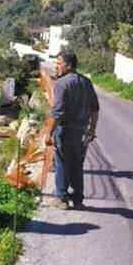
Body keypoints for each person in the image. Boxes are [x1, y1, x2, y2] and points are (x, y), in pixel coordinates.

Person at [45, 49, 99, 210]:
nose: (57, 66)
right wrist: (92, 129)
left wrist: (48, 133)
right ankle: (78, 199)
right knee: (77, 164)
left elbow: (57, 112)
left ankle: (61, 198)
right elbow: (95, 108)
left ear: (68, 66)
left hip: (65, 130)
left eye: (59, 63)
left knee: (62, 162)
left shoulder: (62, 84)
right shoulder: (86, 82)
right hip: (81, 131)